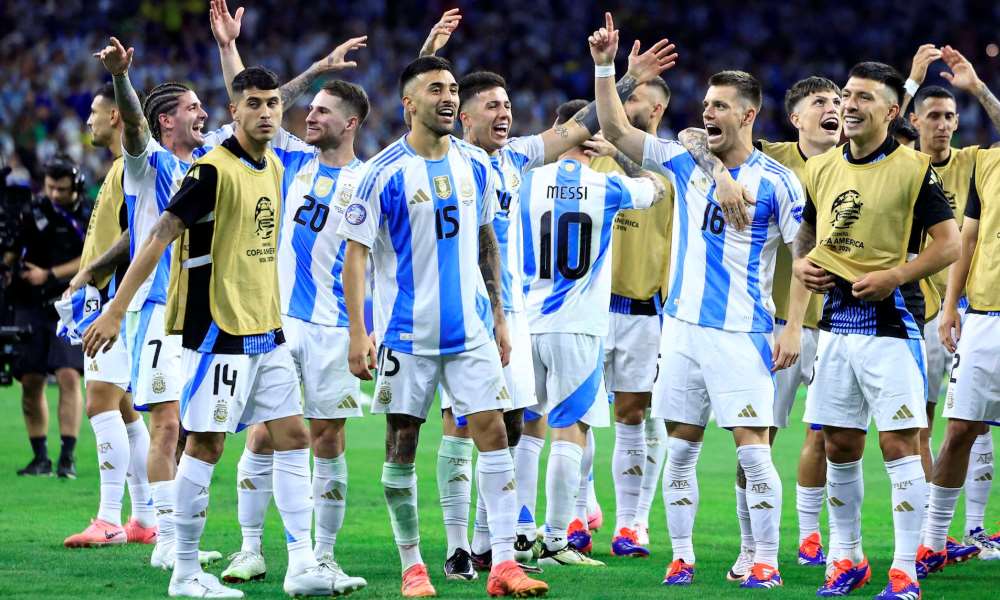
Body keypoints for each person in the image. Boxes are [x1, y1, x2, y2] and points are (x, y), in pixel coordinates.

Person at [416, 7, 675, 573]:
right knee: (471, 428)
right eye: (493, 105)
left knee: (503, 430)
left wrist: (617, 75)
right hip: (459, 315)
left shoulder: (520, 165)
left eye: (509, 105)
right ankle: (467, 543)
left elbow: (580, 124)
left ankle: (493, 544)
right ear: (461, 115)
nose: (505, 113)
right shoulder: (446, 158)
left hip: (516, 319)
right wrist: (429, 53)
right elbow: (417, 119)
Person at [85, 65, 353, 599]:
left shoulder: (275, 165)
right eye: (254, 104)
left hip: (266, 327)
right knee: (204, 445)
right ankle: (184, 572)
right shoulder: (210, 170)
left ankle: (301, 563)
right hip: (218, 331)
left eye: (274, 104)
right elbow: (159, 234)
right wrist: (116, 309)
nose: (267, 113)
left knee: (293, 435)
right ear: (234, 111)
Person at [592, 12, 808, 590]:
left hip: (743, 331)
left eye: (719, 105)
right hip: (681, 330)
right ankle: (681, 555)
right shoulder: (688, 163)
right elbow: (614, 129)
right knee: (680, 450)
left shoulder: (780, 182)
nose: (707, 112)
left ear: (748, 114)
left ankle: (764, 558)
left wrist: (793, 328)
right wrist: (604, 67)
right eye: (706, 104)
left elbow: (805, 262)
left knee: (753, 454)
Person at [339, 55, 548, 598]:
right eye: (437, 89)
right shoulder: (380, 172)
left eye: (453, 88)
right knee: (401, 441)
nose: (449, 97)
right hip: (407, 334)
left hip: (473, 329)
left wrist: (500, 316)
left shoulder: (474, 164)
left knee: (496, 434)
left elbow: (486, 242)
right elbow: (355, 257)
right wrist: (359, 333)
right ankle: (413, 564)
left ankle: (503, 563)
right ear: (410, 103)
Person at [206, 3, 369, 588]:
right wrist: (230, 47)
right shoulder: (289, 159)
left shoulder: (367, 181)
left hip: (331, 327)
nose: (308, 118)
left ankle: (321, 556)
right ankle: (251, 549)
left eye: (321, 112)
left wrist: (361, 332)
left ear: (349, 123)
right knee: (263, 431)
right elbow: (249, 106)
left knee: (328, 436)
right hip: (273, 321)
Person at [793, 61, 960, 599]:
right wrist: (801, 265)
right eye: (846, 93)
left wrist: (896, 275)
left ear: (891, 112)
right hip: (837, 321)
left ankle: (905, 570)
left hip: (892, 323)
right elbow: (806, 233)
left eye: (864, 96)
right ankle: (847, 559)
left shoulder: (915, 168)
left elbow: (950, 243)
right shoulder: (820, 168)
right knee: (838, 443)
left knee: (898, 445)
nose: (850, 103)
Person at [678, 75, 842, 576]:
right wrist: (720, 174)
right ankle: (752, 550)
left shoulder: (859, 163)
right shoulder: (777, 161)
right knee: (758, 439)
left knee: (835, 436)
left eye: (840, 102)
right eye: (821, 102)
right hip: (779, 324)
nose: (835, 109)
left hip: (841, 322)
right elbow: (691, 136)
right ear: (796, 119)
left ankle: (825, 541)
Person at [519, 97, 669, 569]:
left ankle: (520, 539)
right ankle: (559, 539)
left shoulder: (524, 180)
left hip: (527, 322)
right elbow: (659, 188)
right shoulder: (606, 186)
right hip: (579, 327)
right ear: (591, 135)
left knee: (527, 431)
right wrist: (619, 148)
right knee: (571, 430)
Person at [904, 44, 1000, 560]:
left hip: (965, 313)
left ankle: (974, 530)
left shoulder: (976, 163)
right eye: (933, 116)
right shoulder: (898, 165)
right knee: (922, 423)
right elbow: (875, 121)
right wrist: (912, 81)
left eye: (950, 117)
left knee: (973, 422)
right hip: (915, 311)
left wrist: (978, 88)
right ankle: (927, 531)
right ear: (915, 119)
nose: (942, 126)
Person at [62, 82, 157, 547]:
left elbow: (134, 238)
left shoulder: (130, 169)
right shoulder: (120, 168)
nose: (88, 123)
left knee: (100, 399)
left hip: (116, 297)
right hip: (115, 295)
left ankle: (108, 519)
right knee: (124, 408)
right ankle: (142, 519)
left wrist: (89, 273)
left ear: (116, 116)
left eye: (95, 114)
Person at [583, 77, 674, 557]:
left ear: (656, 109)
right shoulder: (591, 157)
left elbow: (653, 185)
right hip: (588, 309)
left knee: (632, 414)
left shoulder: (676, 165)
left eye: (632, 98)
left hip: (644, 311)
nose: (620, 106)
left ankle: (632, 525)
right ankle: (580, 509)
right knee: (576, 414)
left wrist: (616, 152)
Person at [921, 146, 1000, 577]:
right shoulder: (987, 163)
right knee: (960, 428)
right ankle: (932, 543)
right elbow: (967, 238)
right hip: (987, 315)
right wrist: (952, 305)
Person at [8, 154, 87, 479]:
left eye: (63, 189)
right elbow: (14, 248)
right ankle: (40, 456)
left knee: (69, 375)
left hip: (68, 301)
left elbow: (91, 256)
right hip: (30, 302)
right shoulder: (31, 210)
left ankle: (67, 456)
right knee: (30, 380)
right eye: (51, 188)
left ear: (76, 187)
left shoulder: (89, 212)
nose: (56, 195)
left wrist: (49, 274)